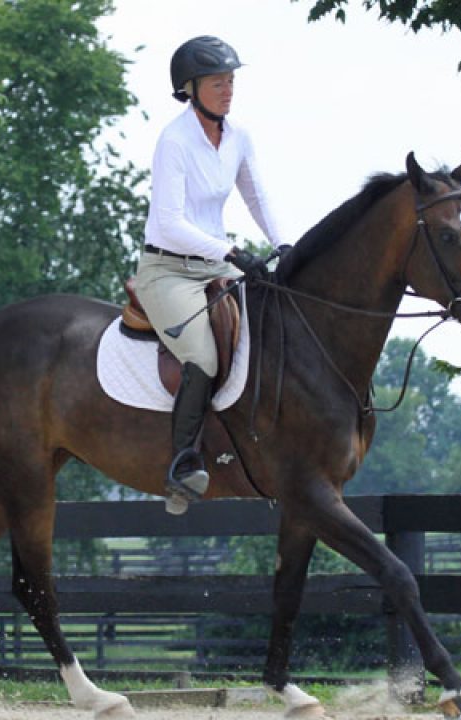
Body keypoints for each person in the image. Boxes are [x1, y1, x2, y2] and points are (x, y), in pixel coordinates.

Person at [133, 35, 291, 515]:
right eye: (218, 82)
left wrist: (285, 244)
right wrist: (233, 250)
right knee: (201, 355)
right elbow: (169, 224)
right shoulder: (174, 140)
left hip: (216, 265)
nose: (228, 90)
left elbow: (257, 196)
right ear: (190, 87)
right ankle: (182, 464)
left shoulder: (239, 136)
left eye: (231, 81)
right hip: (168, 269)